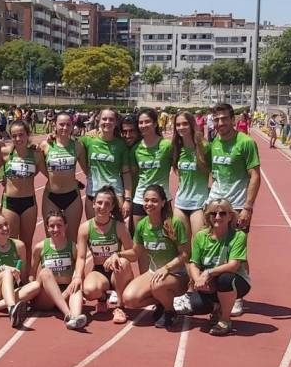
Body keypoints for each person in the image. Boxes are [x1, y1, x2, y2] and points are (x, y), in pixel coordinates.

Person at [208, 103, 260, 317]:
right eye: (217, 119)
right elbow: (215, 172)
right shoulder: (214, 141)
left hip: (237, 206)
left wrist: (248, 207)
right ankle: (217, 296)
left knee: (237, 252)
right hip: (215, 206)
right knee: (214, 250)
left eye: (224, 119)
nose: (220, 123)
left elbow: (255, 176)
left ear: (233, 119)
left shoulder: (246, 142)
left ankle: (238, 296)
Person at [121, 184, 189, 329]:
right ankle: (162, 302)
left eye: (154, 200)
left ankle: (170, 312)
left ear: (163, 202)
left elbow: (185, 254)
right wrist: (117, 255)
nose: (149, 204)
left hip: (177, 274)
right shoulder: (142, 225)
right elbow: (135, 253)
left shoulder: (173, 223)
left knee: (158, 285)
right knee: (129, 299)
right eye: (146, 200)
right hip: (154, 273)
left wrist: (167, 268)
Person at [187, 199, 251, 336]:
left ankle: (225, 320)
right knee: (197, 305)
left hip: (236, 281)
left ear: (230, 216)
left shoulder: (238, 236)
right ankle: (217, 307)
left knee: (225, 279)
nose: (217, 217)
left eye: (222, 213)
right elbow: (194, 263)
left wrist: (208, 272)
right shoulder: (200, 236)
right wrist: (198, 279)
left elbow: (233, 266)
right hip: (209, 280)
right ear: (207, 217)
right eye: (213, 213)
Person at [0, 214, 41, 328]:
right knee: (6, 272)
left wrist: (18, 278)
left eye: (6, 224)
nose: (5, 228)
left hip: (11, 292)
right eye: (0, 227)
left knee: (36, 285)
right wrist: (2, 269)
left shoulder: (19, 245)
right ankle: (11, 309)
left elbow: (23, 278)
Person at [78, 186, 134, 324]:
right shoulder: (85, 227)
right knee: (89, 291)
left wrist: (118, 255)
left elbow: (134, 254)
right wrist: (77, 277)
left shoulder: (119, 227)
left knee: (121, 263)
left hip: (119, 271)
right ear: (93, 204)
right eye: (99, 203)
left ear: (112, 206)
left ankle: (120, 307)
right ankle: (102, 298)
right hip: (99, 271)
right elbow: (81, 257)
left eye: (107, 204)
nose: (102, 207)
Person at [0, 120, 46, 280]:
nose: (18, 138)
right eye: (14, 136)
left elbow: (50, 174)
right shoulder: (5, 153)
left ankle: (25, 278)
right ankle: (11, 277)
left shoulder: (36, 155)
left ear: (28, 135)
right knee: (10, 244)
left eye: (21, 135)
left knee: (26, 244)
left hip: (28, 204)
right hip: (9, 204)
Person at [131, 108, 174, 277]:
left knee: (168, 240)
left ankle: (168, 279)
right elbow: (134, 174)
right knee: (142, 245)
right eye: (140, 122)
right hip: (140, 201)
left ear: (155, 123)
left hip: (162, 200)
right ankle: (144, 280)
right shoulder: (135, 149)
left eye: (147, 121)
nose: (143, 125)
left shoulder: (166, 146)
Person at [31, 211, 88, 330]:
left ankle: (75, 319)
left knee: (76, 285)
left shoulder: (73, 247)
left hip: (66, 292)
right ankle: (69, 315)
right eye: (51, 226)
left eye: (59, 225)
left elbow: (80, 274)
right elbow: (32, 274)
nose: (55, 229)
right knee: (45, 272)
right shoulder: (40, 247)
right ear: (47, 228)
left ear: (66, 226)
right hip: (46, 297)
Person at [40, 113, 87, 242]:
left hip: (72, 196)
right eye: (61, 124)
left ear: (72, 126)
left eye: (68, 124)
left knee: (72, 241)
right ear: (55, 125)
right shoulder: (45, 145)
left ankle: (72, 263)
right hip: (51, 196)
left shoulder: (78, 146)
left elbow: (88, 170)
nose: (65, 128)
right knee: (52, 241)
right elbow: (35, 164)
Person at [80, 108, 133, 220]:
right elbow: (68, 143)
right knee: (93, 231)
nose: (107, 122)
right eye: (104, 119)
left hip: (115, 195)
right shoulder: (88, 139)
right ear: (98, 121)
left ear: (116, 122)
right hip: (93, 194)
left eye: (111, 119)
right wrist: (53, 136)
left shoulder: (121, 145)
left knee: (115, 231)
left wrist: (128, 199)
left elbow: (126, 174)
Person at [172, 112, 210, 237]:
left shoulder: (204, 147)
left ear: (192, 125)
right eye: (178, 125)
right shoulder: (176, 148)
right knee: (183, 249)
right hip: (180, 203)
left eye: (185, 124)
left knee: (199, 244)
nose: (181, 127)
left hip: (199, 204)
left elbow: (215, 174)